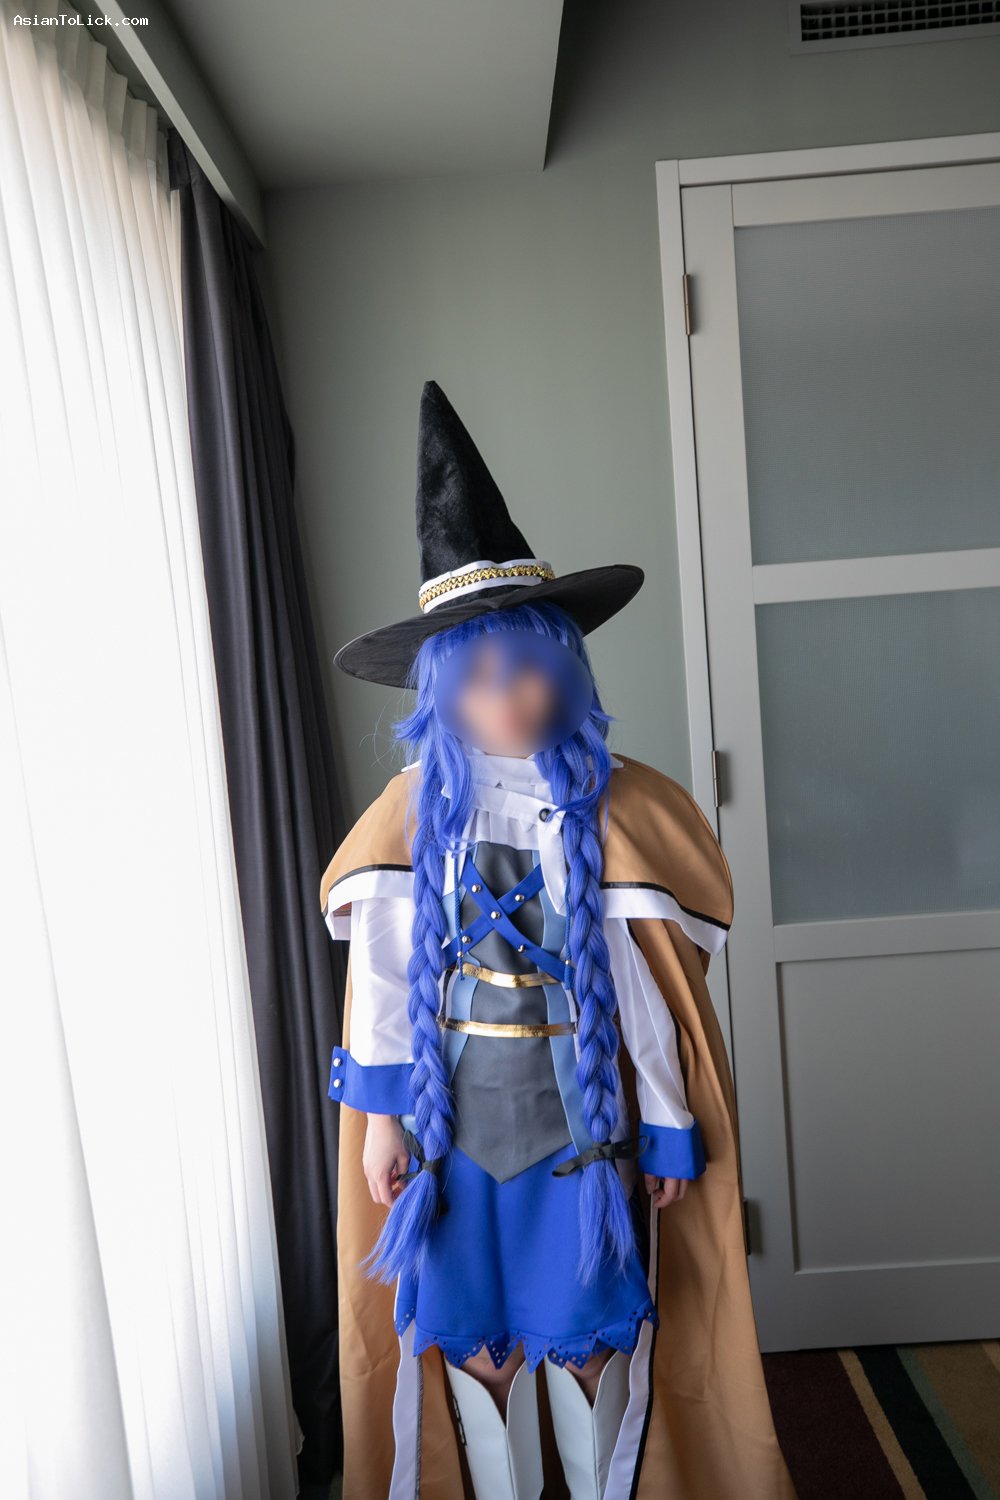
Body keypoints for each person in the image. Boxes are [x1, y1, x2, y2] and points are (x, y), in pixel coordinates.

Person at [320, 381, 797, 1500]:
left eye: (531, 665)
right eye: (480, 676)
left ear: (568, 665)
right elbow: (382, 980)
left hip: (584, 1143)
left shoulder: (616, 805)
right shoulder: (409, 812)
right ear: (442, 689)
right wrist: (382, 1123)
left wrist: (666, 1125)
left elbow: (642, 990)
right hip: (451, 1145)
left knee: (590, 1353)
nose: (512, 697)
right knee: (479, 1356)